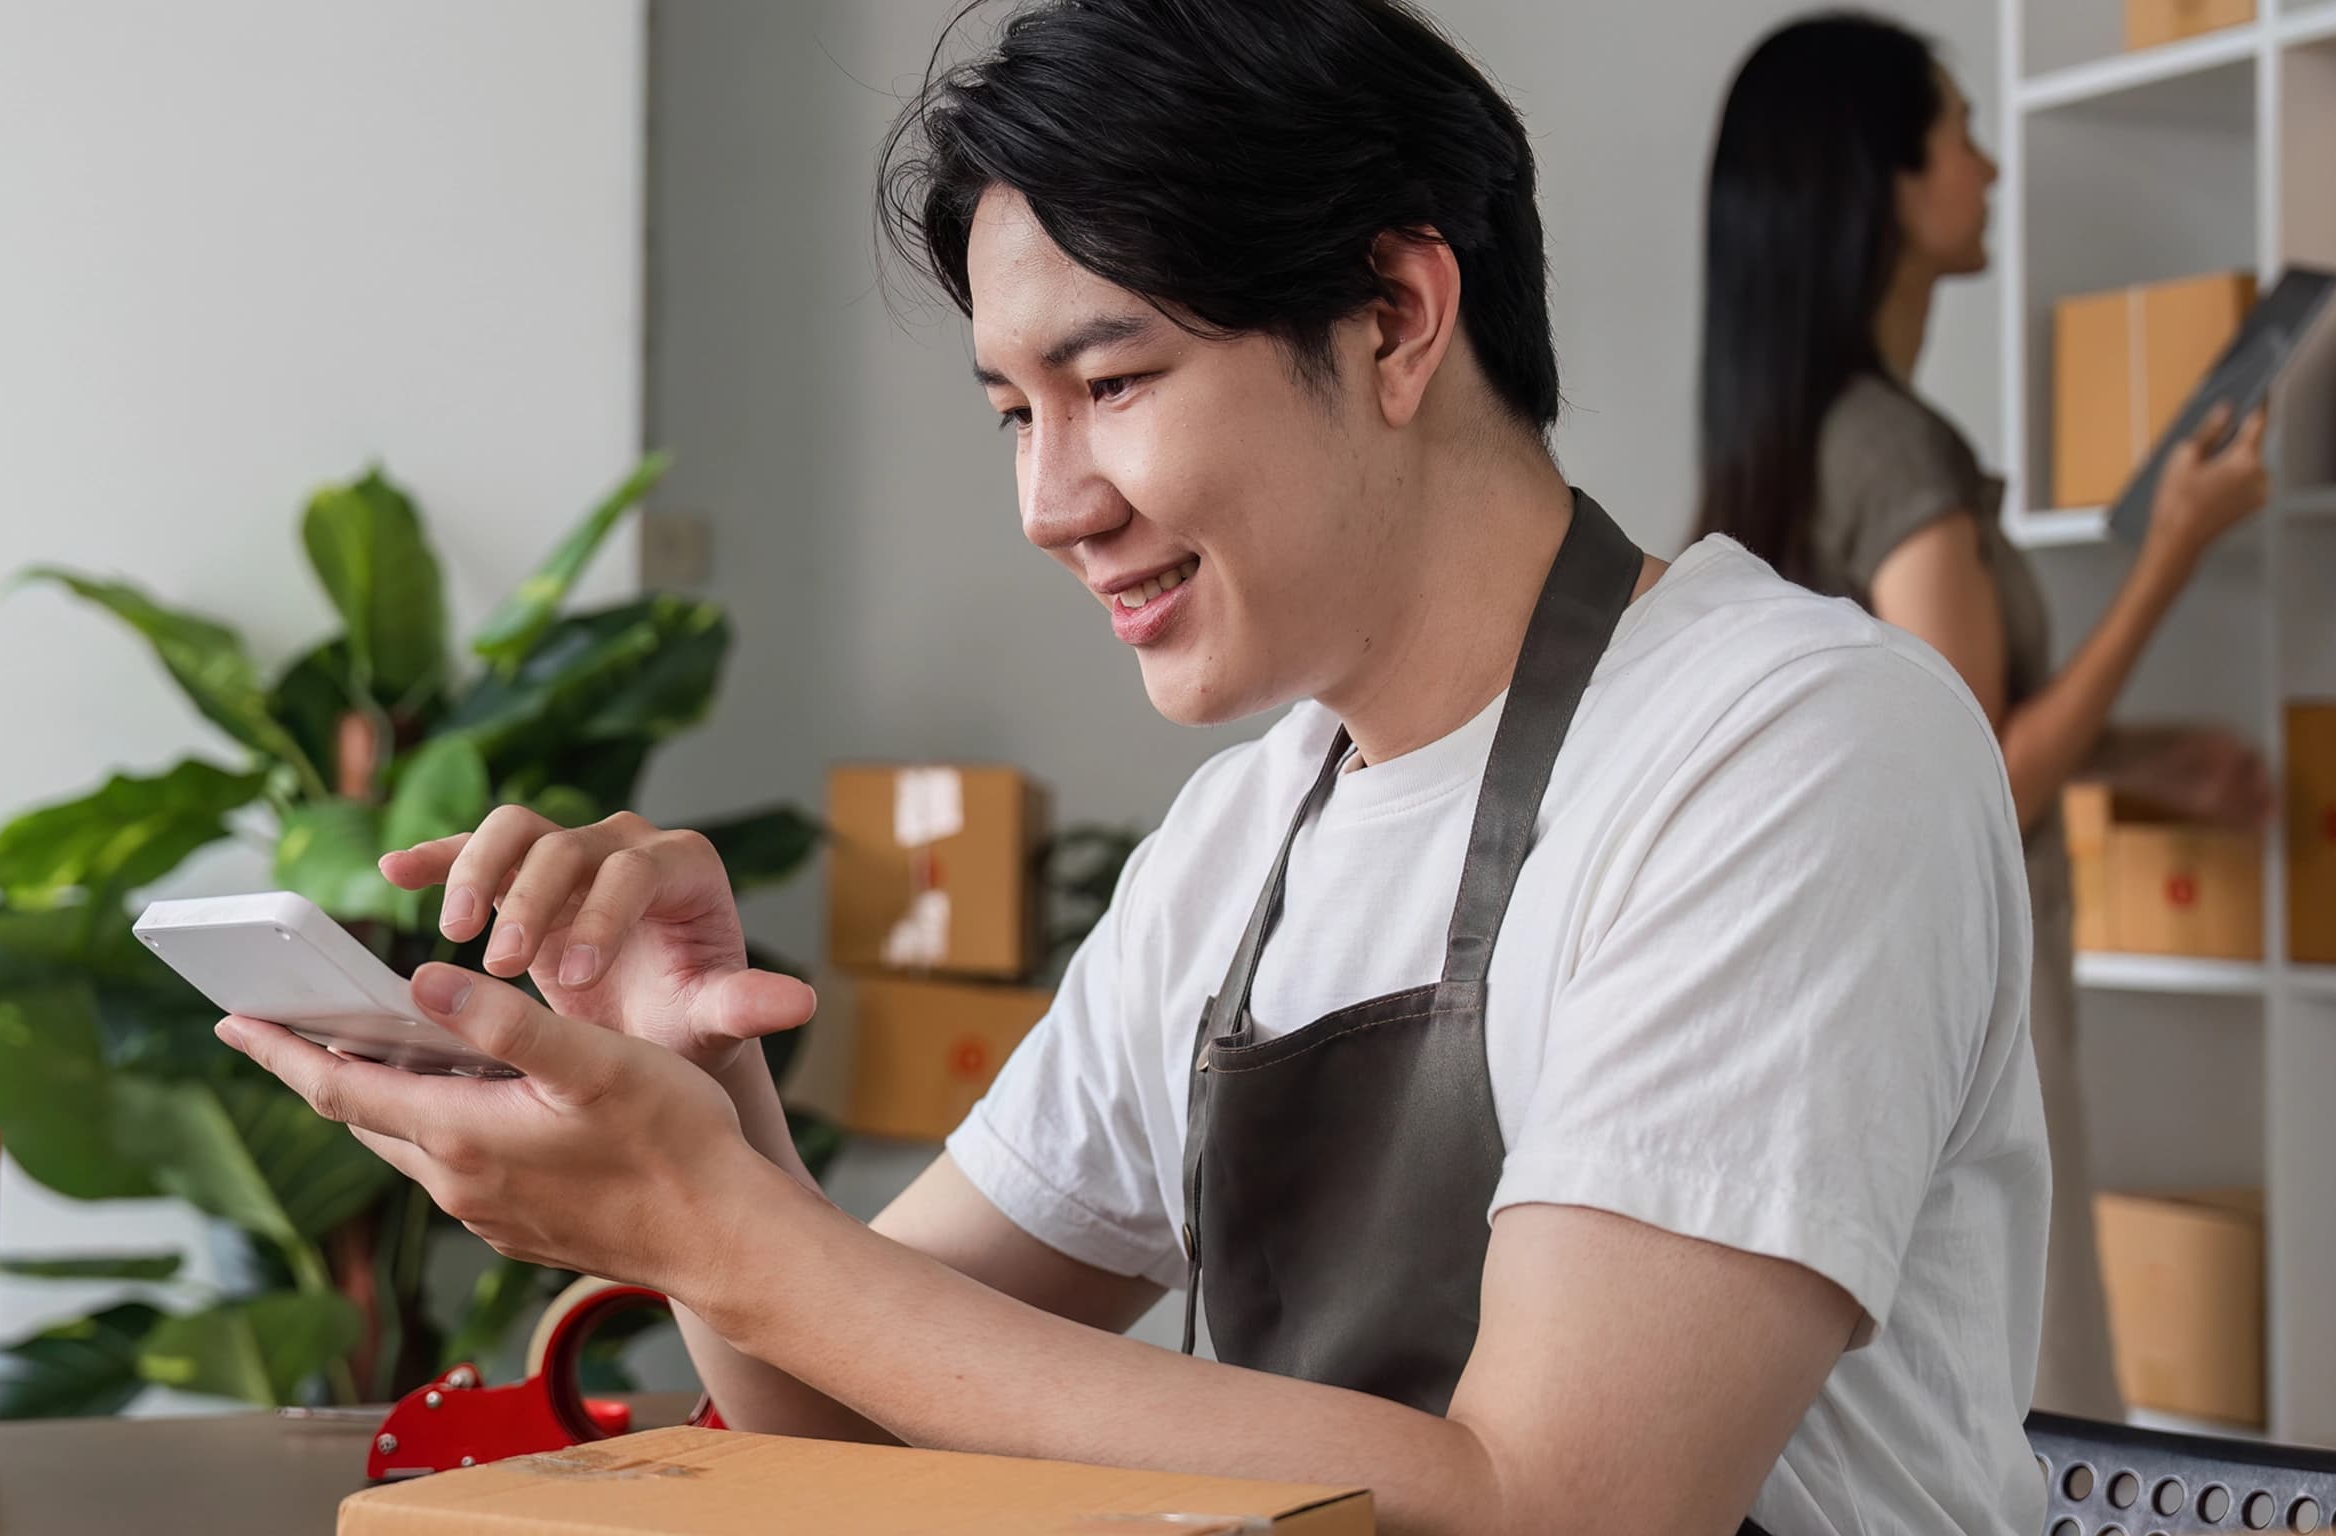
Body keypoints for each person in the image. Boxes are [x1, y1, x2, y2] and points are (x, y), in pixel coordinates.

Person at [218, 3, 2044, 1531]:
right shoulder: (1245, 840)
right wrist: (713, 1119)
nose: (1048, 501)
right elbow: (840, 1423)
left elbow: (1552, 1510)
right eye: (1017, 413)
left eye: (1116, 381)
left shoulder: (1790, 748)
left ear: (1399, 318)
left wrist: (730, 1227)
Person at [1690, 13, 2277, 1420]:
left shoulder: (1797, 436)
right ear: (1881, 182)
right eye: (1959, 132)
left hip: (1864, 991)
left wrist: (2142, 756)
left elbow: (1900, 725)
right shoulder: (1897, 452)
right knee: (2032, 1375)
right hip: (1969, 991)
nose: (1992, 167)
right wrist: (2171, 557)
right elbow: (1981, 776)